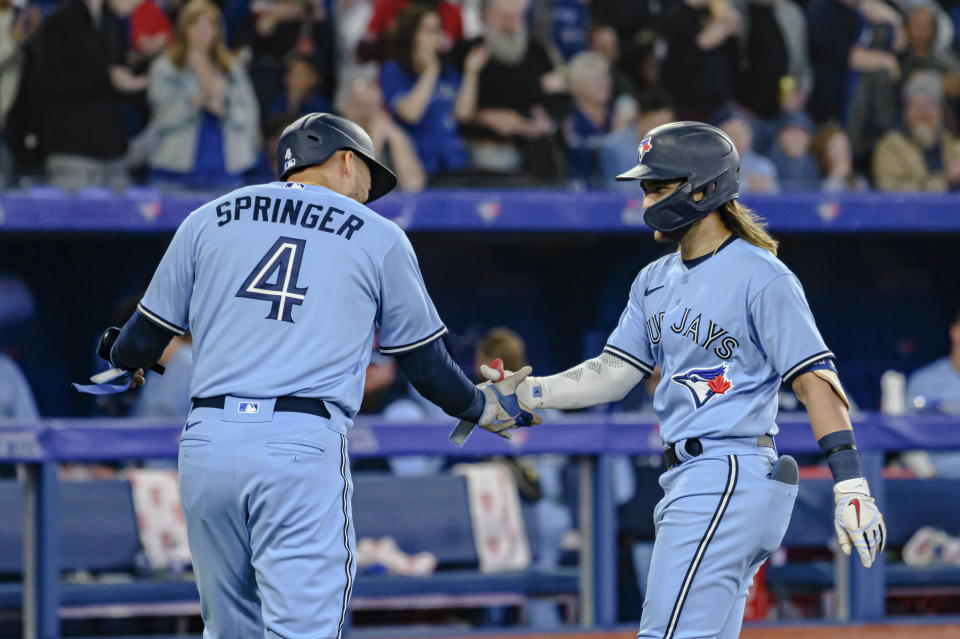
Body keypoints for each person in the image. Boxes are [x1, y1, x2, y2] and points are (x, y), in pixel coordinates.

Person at [87, 112, 534, 638]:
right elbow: (427, 365)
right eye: (369, 177)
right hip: (297, 444)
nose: (370, 194)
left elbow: (140, 340)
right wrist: (482, 407)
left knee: (228, 630)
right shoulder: (377, 235)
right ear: (345, 160)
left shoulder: (209, 217)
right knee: (305, 630)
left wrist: (121, 360)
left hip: (208, 444)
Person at [483, 121, 887, 637]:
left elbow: (815, 379)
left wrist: (850, 480)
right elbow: (611, 373)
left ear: (704, 187)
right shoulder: (653, 279)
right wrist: (530, 393)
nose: (647, 199)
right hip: (690, 478)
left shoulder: (761, 274)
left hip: (727, 471)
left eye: (658, 186)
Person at [144, 0, 260, 187]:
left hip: (226, 166)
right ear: (184, 28)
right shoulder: (166, 67)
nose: (203, 31)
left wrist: (226, 108)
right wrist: (196, 101)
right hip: (175, 165)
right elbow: (161, 118)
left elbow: (249, 114)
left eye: (209, 24)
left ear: (218, 30)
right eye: (196, 24)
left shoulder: (232, 68)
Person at [33, 0, 146, 189]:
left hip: (113, 151)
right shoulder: (59, 22)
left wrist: (129, 81)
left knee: (118, 218)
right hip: (73, 151)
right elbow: (48, 82)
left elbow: (116, 72)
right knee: (75, 218)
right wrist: (106, 77)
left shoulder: (113, 22)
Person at [379, 5, 484, 176]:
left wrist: (471, 73)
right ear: (412, 35)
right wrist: (430, 71)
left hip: (455, 161)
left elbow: (463, 114)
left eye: (437, 30)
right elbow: (411, 113)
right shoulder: (393, 71)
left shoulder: (448, 72)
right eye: (429, 30)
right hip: (419, 166)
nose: (435, 37)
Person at [873, 70, 960, 191]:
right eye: (918, 106)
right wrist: (943, 183)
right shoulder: (891, 144)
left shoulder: (948, 142)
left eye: (930, 106)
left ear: (939, 112)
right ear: (907, 111)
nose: (924, 113)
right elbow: (889, 188)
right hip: (907, 209)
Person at [340, 77, 426, 192]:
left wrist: (396, 137)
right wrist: (375, 142)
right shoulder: (338, 138)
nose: (367, 114)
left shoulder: (391, 134)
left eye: (371, 106)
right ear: (347, 109)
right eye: (360, 106)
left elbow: (413, 184)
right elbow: (356, 189)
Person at [660, 0, 741, 122]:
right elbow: (701, 43)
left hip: (721, 102)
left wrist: (733, 30)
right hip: (689, 105)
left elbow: (730, 57)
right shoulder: (675, 13)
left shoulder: (712, 13)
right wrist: (718, 28)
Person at [716, 107, 779, 194]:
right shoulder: (709, 166)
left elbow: (775, 192)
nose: (738, 140)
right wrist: (746, 183)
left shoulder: (763, 165)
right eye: (732, 134)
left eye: (743, 134)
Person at [768, 111, 820, 191]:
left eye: (801, 133)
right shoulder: (767, 164)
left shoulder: (816, 163)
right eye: (791, 132)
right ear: (780, 136)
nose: (796, 138)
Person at [811, 123, 869, 192]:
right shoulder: (824, 185)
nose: (843, 152)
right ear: (825, 154)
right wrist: (837, 175)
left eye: (845, 146)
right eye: (836, 148)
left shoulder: (860, 182)